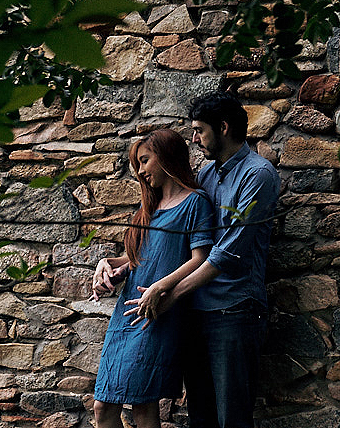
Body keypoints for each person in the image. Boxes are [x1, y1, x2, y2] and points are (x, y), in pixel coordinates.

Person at [128, 91, 281, 428]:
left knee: (232, 418)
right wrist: (123, 264)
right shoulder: (208, 174)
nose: (194, 139)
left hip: (234, 310)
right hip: (196, 311)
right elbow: (180, 235)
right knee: (200, 417)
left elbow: (228, 252)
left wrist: (169, 294)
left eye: (199, 130)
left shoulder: (258, 175)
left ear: (223, 127)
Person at [91, 128, 215, 428]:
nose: (141, 171)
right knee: (102, 407)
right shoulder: (149, 207)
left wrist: (161, 287)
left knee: (143, 407)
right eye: (137, 164)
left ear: (166, 156)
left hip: (156, 313)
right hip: (125, 315)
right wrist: (107, 266)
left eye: (145, 160)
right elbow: (135, 258)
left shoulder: (195, 202)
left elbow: (200, 258)